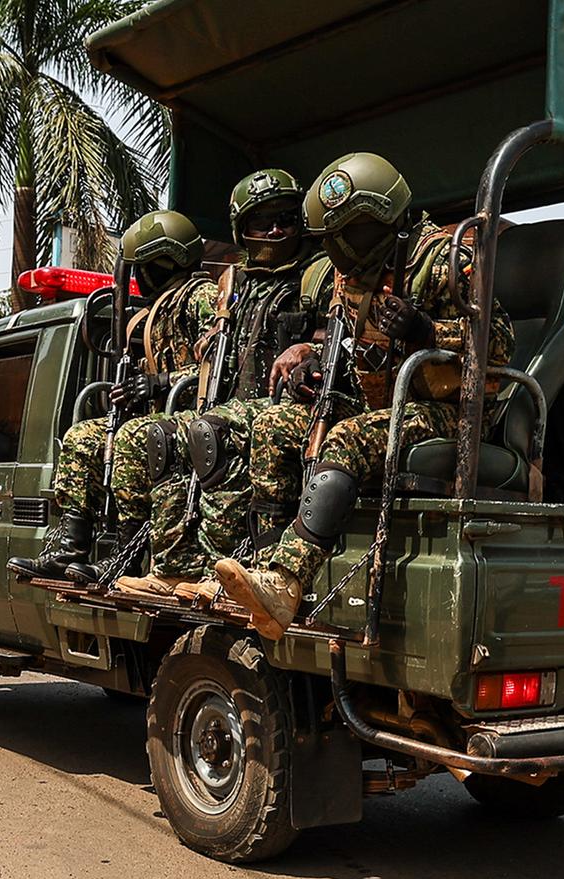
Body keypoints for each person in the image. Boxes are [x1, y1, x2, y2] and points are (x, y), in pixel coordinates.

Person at [211, 152, 515, 637]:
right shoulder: (353, 276)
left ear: (378, 221)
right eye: (329, 238)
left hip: (451, 410)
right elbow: (344, 336)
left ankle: (288, 581)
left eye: (344, 235)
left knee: (348, 438)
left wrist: (428, 329)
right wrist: (310, 356)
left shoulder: (444, 259)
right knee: (273, 426)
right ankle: (262, 569)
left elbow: (499, 342)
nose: (335, 248)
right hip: (385, 401)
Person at [115, 168, 330, 597]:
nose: (275, 230)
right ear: (242, 229)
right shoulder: (233, 283)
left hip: (295, 405)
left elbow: (341, 333)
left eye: (285, 219)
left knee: (210, 429)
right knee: (161, 435)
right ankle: (176, 567)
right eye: (261, 222)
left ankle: (229, 573)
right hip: (236, 404)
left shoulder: (318, 273)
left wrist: (310, 349)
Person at [8, 211, 218, 580]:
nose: (137, 275)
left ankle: (127, 555)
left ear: (164, 261)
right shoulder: (157, 310)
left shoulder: (201, 296)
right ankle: (69, 547)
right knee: (82, 436)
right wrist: (136, 389)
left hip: (200, 419)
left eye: (143, 265)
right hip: (164, 418)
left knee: (132, 439)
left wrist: (161, 383)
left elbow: (220, 365)